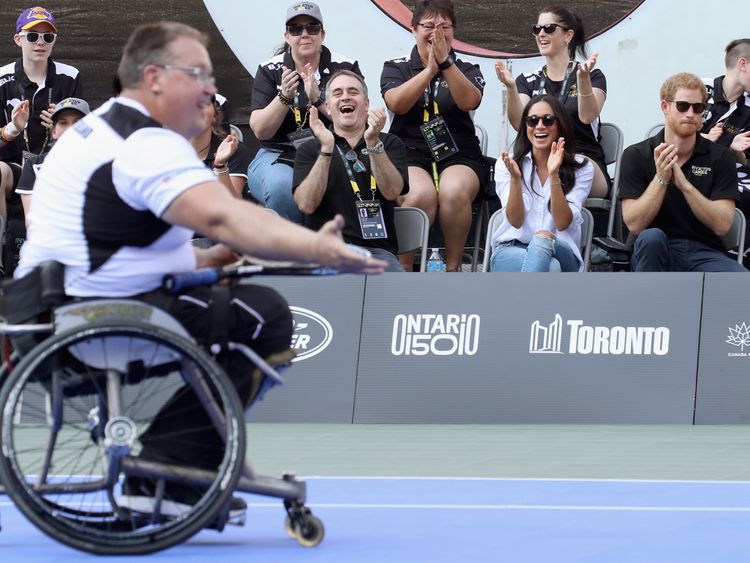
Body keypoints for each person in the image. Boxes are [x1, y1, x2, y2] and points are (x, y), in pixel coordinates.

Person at [15, 21, 386, 520]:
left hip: (51, 314)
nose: (211, 88)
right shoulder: (145, 142)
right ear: (155, 78)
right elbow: (223, 215)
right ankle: (169, 467)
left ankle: (178, 460)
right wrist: (315, 247)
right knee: (267, 317)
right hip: (94, 320)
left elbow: (115, 239)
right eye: (199, 75)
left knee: (228, 292)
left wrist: (205, 260)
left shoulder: (101, 129)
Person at [381, 0, 487, 272]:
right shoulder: (396, 67)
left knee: (453, 192)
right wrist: (429, 70)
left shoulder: (468, 68)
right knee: (419, 195)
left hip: (459, 152)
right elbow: (397, 104)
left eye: (445, 27)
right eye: (428, 26)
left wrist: (445, 63)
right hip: (409, 152)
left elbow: (468, 102)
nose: (436, 33)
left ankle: (453, 269)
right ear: (414, 29)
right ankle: (403, 270)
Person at [619, 72, 747, 273]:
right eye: (682, 106)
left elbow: (723, 225)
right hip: (656, 250)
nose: (690, 114)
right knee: (651, 238)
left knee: (741, 282)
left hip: (705, 252)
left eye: (698, 108)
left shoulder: (720, 157)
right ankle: (647, 303)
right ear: (665, 107)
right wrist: (661, 178)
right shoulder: (636, 154)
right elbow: (634, 224)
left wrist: (685, 186)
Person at [247, 1, 361, 223]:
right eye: (296, 29)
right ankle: (292, 254)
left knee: (351, 182)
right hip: (278, 154)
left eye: (312, 28)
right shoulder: (270, 70)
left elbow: (358, 123)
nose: (305, 34)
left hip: (332, 151)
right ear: (287, 36)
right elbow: (261, 130)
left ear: (322, 35)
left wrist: (318, 100)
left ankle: (340, 252)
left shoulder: (344, 67)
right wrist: (284, 98)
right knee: (282, 188)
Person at [293, 70, 409, 272]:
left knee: (397, 299)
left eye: (353, 92)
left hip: (377, 254)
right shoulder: (310, 149)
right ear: (328, 107)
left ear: (366, 104)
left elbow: (392, 192)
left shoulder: (389, 142)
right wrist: (326, 149)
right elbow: (306, 205)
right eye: (337, 93)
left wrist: (373, 142)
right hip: (324, 252)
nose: (345, 96)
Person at [0, 6, 83, 277]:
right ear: (18, 39)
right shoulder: (2, 79)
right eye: (32, 36)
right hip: (13, 165)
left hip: (54, 166)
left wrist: (63, 126)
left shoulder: (69, 76)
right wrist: (12, 128)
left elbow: (85, 131)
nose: (40, 43)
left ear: (55, 41)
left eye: (48, 37)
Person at [495, 4, 609, 198]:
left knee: (559, 169)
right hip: (540, 160)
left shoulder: (592, 75)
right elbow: (518, 124)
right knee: (507, 166)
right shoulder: (527, 80)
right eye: (537, 29)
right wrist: (511, 88)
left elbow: (588, 116)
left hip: (580, 158)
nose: (541, 34)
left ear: (568, 35)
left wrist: (582, 80)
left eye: (549, 28)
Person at [490, 95, 593, 272]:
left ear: (560, 124)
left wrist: (554, 175)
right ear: (525, 126)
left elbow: (562, 223)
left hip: (562, 250)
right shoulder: (507, 163)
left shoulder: (582, 168)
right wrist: (516, 179)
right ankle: (538, 299)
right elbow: (515, 221)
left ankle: (527, 299)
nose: (539, 126)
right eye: (532, 120)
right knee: (551, 268)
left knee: (543, 241)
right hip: (512, 248)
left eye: (548, 120)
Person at [16, 96, 90, 222]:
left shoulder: (104, 163)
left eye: (78, 122)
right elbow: (32, 224)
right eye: (63, 123)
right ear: (54, 131)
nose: (70, 128)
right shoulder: (35, 166)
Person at [191, 94, 250, 198]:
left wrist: (220, 165)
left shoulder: (232, 149)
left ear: (215, 114)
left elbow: (233, 205)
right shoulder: (162, 150)